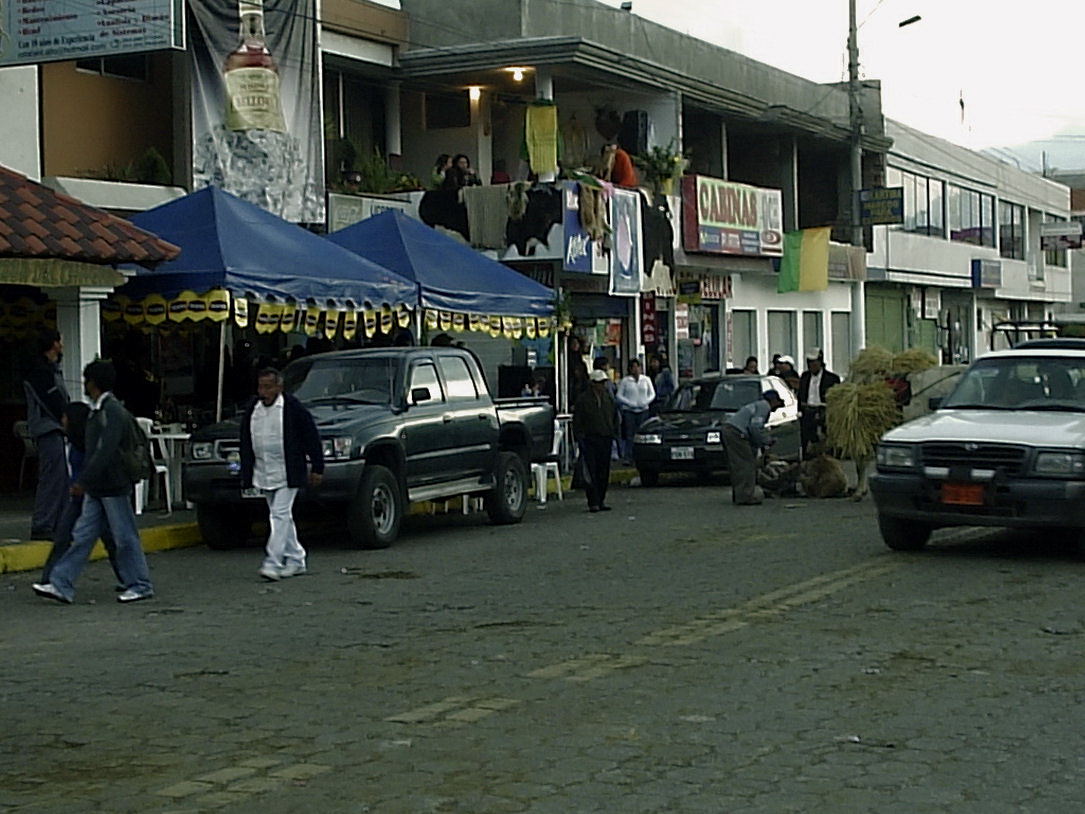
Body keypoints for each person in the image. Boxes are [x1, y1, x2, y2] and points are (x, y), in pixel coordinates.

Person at [32, 360, 155, 604]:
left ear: (94, 383)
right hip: (99, 487)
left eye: (86, 381)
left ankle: (140, 584)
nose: (84, 385)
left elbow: (104, 450)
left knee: (124, 537)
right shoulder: (100, 411)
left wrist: (84, 480)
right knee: (82, 536)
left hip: (112, 485)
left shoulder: (111, 412)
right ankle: (61, 583)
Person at [240, 368, 324, 581]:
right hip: (264, 471)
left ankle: (273, 561)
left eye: (268, 387)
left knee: (279, 514)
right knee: (282, 517)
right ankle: (296, 558)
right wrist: (246, 471)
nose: (263, 392)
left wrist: (317, 467)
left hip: (288, 471)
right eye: (261, 387)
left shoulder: (293, 408)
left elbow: (311, 437)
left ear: (279, 387)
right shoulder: (253, 409)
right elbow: (246, 441)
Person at [39, 402, 120, 586]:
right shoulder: (73, 442)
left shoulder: (90, 443)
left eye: (65, 417)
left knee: (109, 539)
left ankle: (128, 578)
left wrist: (83, 484)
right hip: (78, 496)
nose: (63, 421)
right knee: (63, 537)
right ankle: (49, 579)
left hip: (93, 495)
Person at [23, 329, 70, 540]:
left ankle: (59, 522)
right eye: (60, 341)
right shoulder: (41, 372)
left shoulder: (52, 369)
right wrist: (66, 418)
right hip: (47, 428)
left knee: (61, 477)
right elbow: (52, 400)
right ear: (54, 344)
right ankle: (43, 523)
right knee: (51, 477)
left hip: (54, 429)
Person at [723, 389, 785, 506]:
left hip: (730, 429)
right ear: (773, 401)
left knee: (738, 464)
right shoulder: (764, 407)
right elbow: (755, 427)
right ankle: (745, 496)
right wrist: (765, 441)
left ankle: (739, 494)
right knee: (746, 464)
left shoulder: (756, 405)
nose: (777, 408)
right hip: (737, 433)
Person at [573, 370, 619, 513]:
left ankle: (601, 500)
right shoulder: (583, 400)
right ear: (592, 384)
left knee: (603, 471)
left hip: (606, 438)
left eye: (603, 383)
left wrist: (613, 433)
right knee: (591, 471)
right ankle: (593, 501)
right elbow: (578, 421)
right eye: (599, 383)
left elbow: (614, 416)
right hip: (590, 439)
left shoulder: (608, 398)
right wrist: (580, 438)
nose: (602, 386)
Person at [798, 348, 841, 456]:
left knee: (826, 440)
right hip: (808, 411)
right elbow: (801, 394)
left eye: (814, 362)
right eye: (809, 363)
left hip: (824, 411)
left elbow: (837, 398)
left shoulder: (832, 378)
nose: (812, 365)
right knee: (807, 437)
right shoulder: (805, 377)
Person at [616, 359, 655, 461]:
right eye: (633, 367)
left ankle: (643, 456)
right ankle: (629, 456)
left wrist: (645, 402)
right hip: (629, 411)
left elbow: (652, 394)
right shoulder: (625, 381)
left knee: (642, 434)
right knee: (630, 435)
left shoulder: (646, 379)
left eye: (638, 367)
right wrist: (629, 403)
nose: (636, 369)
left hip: (643, 410)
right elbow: (619, 395)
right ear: (630, 369)